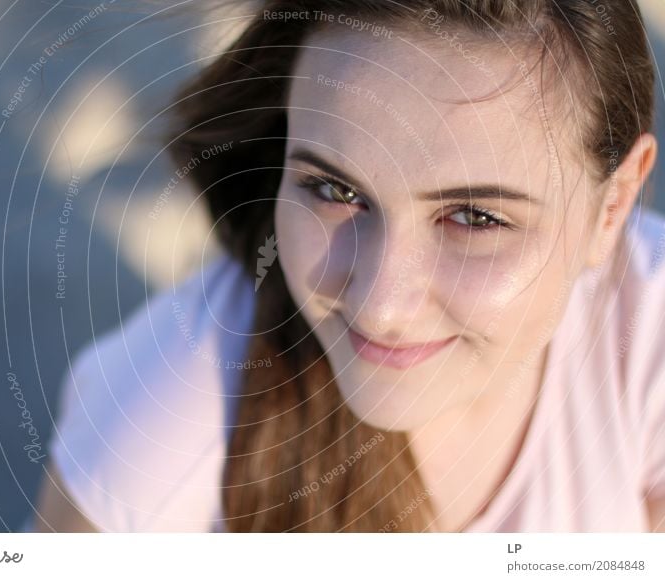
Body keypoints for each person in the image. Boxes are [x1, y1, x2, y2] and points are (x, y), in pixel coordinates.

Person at [33, 0, 665, 532]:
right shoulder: (154, 439)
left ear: (613, 206)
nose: (380, 307)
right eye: (334, 190)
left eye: (475, 217)